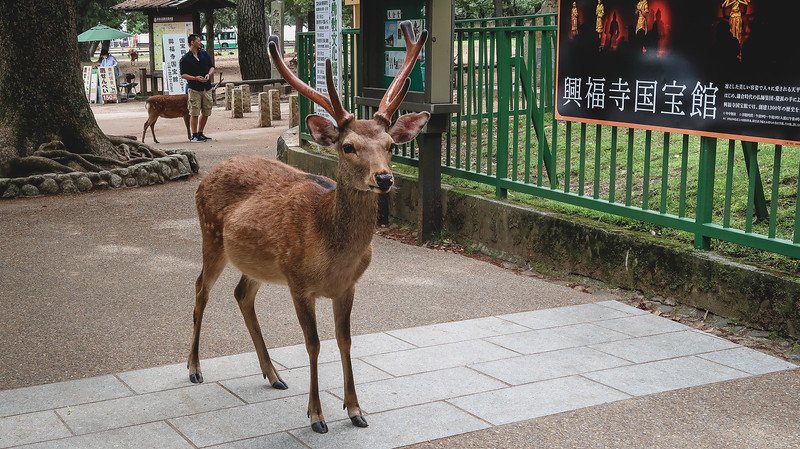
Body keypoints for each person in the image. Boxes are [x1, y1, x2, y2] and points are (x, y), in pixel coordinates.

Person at [179, 33, 215, 142]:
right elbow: (183, 74)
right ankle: (194, 135)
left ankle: (200, 132)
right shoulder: (185, 59)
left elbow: (212, 67)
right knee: (194, 112)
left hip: (206, 87)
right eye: (198, 41)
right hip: (194, 88)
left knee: (206, 111)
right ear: (192, 43)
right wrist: (195, 78)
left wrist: (209, 74)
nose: (200, 42)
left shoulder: (204, 54)